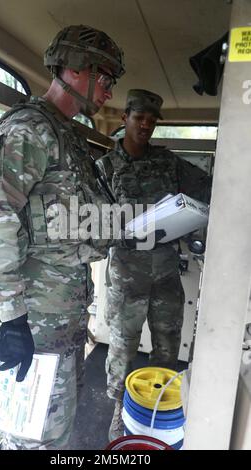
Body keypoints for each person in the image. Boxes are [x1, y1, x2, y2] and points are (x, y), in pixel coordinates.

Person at [0, 24, 125, 450]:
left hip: (66, 319)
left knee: (59, 430)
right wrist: (12, 318)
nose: (108, 92)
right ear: (74, 70)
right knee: (37, 438)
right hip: (35, 324)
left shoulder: (67, 135)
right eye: (105, 79)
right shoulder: (30, 130)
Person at [96, 89, 211, 441]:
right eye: (139, 117)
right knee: (123, 344)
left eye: (151, 120)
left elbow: (207, 187)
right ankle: (119, 410)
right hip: (127, 273)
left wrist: (191, 213)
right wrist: (120, 230)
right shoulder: (104, 168)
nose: (145, 124)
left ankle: (157, 405)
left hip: (164, 270)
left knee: (167, 340)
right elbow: (94, 221)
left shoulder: (168, 162)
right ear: (124, 119)